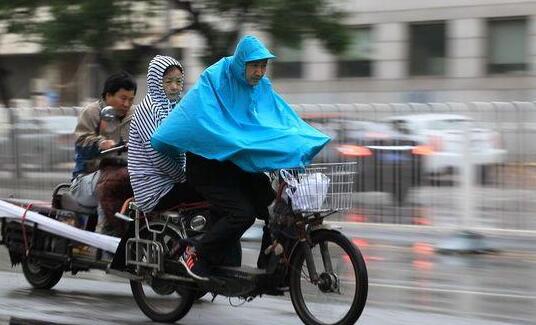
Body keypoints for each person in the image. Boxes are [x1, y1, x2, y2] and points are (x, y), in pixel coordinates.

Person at [151, 35, 330, 280]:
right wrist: (240, 142)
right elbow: (203, 121)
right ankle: (195, 253)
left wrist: (301, 142)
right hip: (208, 168)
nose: (259, 72)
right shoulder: (214, 80)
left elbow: (280, 120)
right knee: (242, 214)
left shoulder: (261, 87)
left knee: (276, 210)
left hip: (238, 165)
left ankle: (272, 270)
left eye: (263, 66)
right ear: (241, 63)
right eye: (254, 66)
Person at [128, 55, 202, 213]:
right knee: (214, 192)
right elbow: (157, 156)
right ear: (156, 82)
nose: (175, 87)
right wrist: (184, 177)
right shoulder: (149, 108)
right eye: (168, 82)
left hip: (170, 182)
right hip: (154, 191)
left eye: (179, 81)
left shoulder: (174, 105)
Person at [70, 71, 137, 236]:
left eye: (131, 99)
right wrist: (100, 143)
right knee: (110, 184)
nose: (127, 104)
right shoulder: (92, 113)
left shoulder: (137, 115)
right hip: (87, 178)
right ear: (108, 95)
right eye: (123, 98)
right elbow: (81, 142)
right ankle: (104, 236)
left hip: (127, 173)